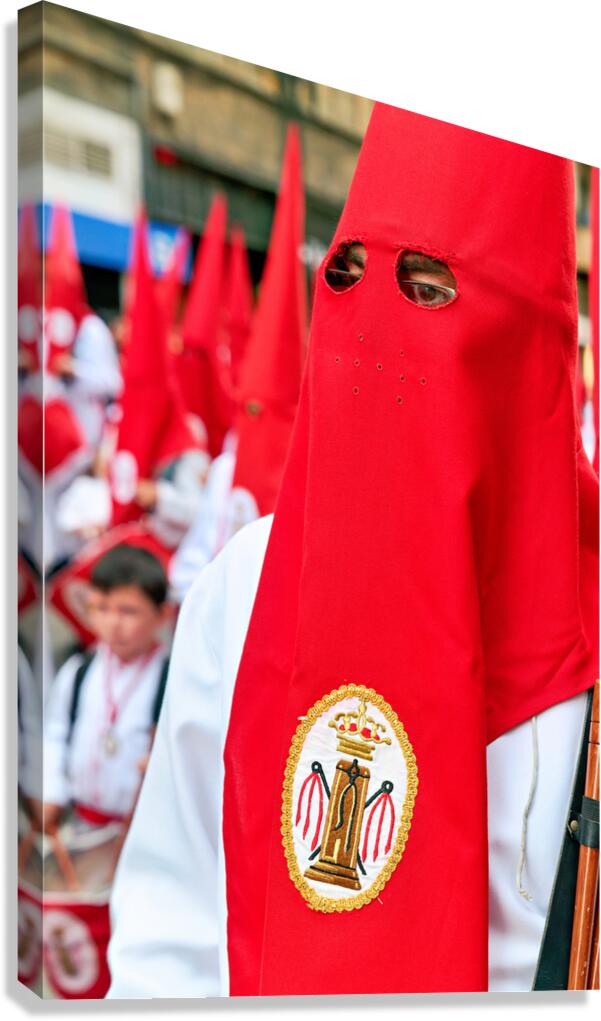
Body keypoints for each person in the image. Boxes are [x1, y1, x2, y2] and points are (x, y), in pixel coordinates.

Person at [106, 105, 598, 997]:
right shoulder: (246, 581)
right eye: (347, 275)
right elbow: (174, 902)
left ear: (528, 340)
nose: (379, 319)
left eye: (430, 287)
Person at [33, 545, 170, 834]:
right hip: (79, 823)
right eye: (102, 608)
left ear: (162, 614)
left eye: (128, 611)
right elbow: (56, 734)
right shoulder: (80, 670)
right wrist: (52, 791)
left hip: (140, 831)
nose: (113, 623)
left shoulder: (170, 679)